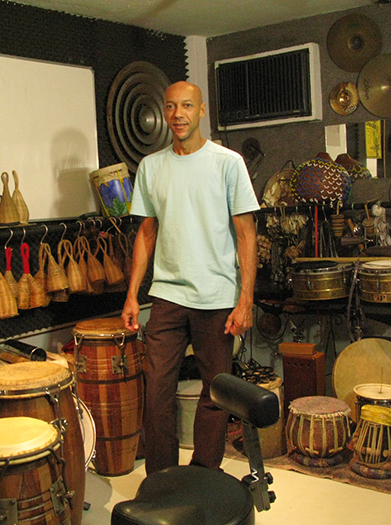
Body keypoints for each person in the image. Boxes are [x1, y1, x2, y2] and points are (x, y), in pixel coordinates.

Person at [121, 80, 259, 475]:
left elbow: (246, 233)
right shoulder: (151, 167)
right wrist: (133, 295)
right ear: (164, 113)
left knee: (216, 393)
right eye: (170, 107)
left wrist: (245, 299)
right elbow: (146, 234)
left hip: (217, 299)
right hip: (166, 297)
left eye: (186, 106)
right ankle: (163, 479)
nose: (177, 115)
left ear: (201, 111)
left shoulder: (227, 162)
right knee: (156, 392)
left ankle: (203, 475)